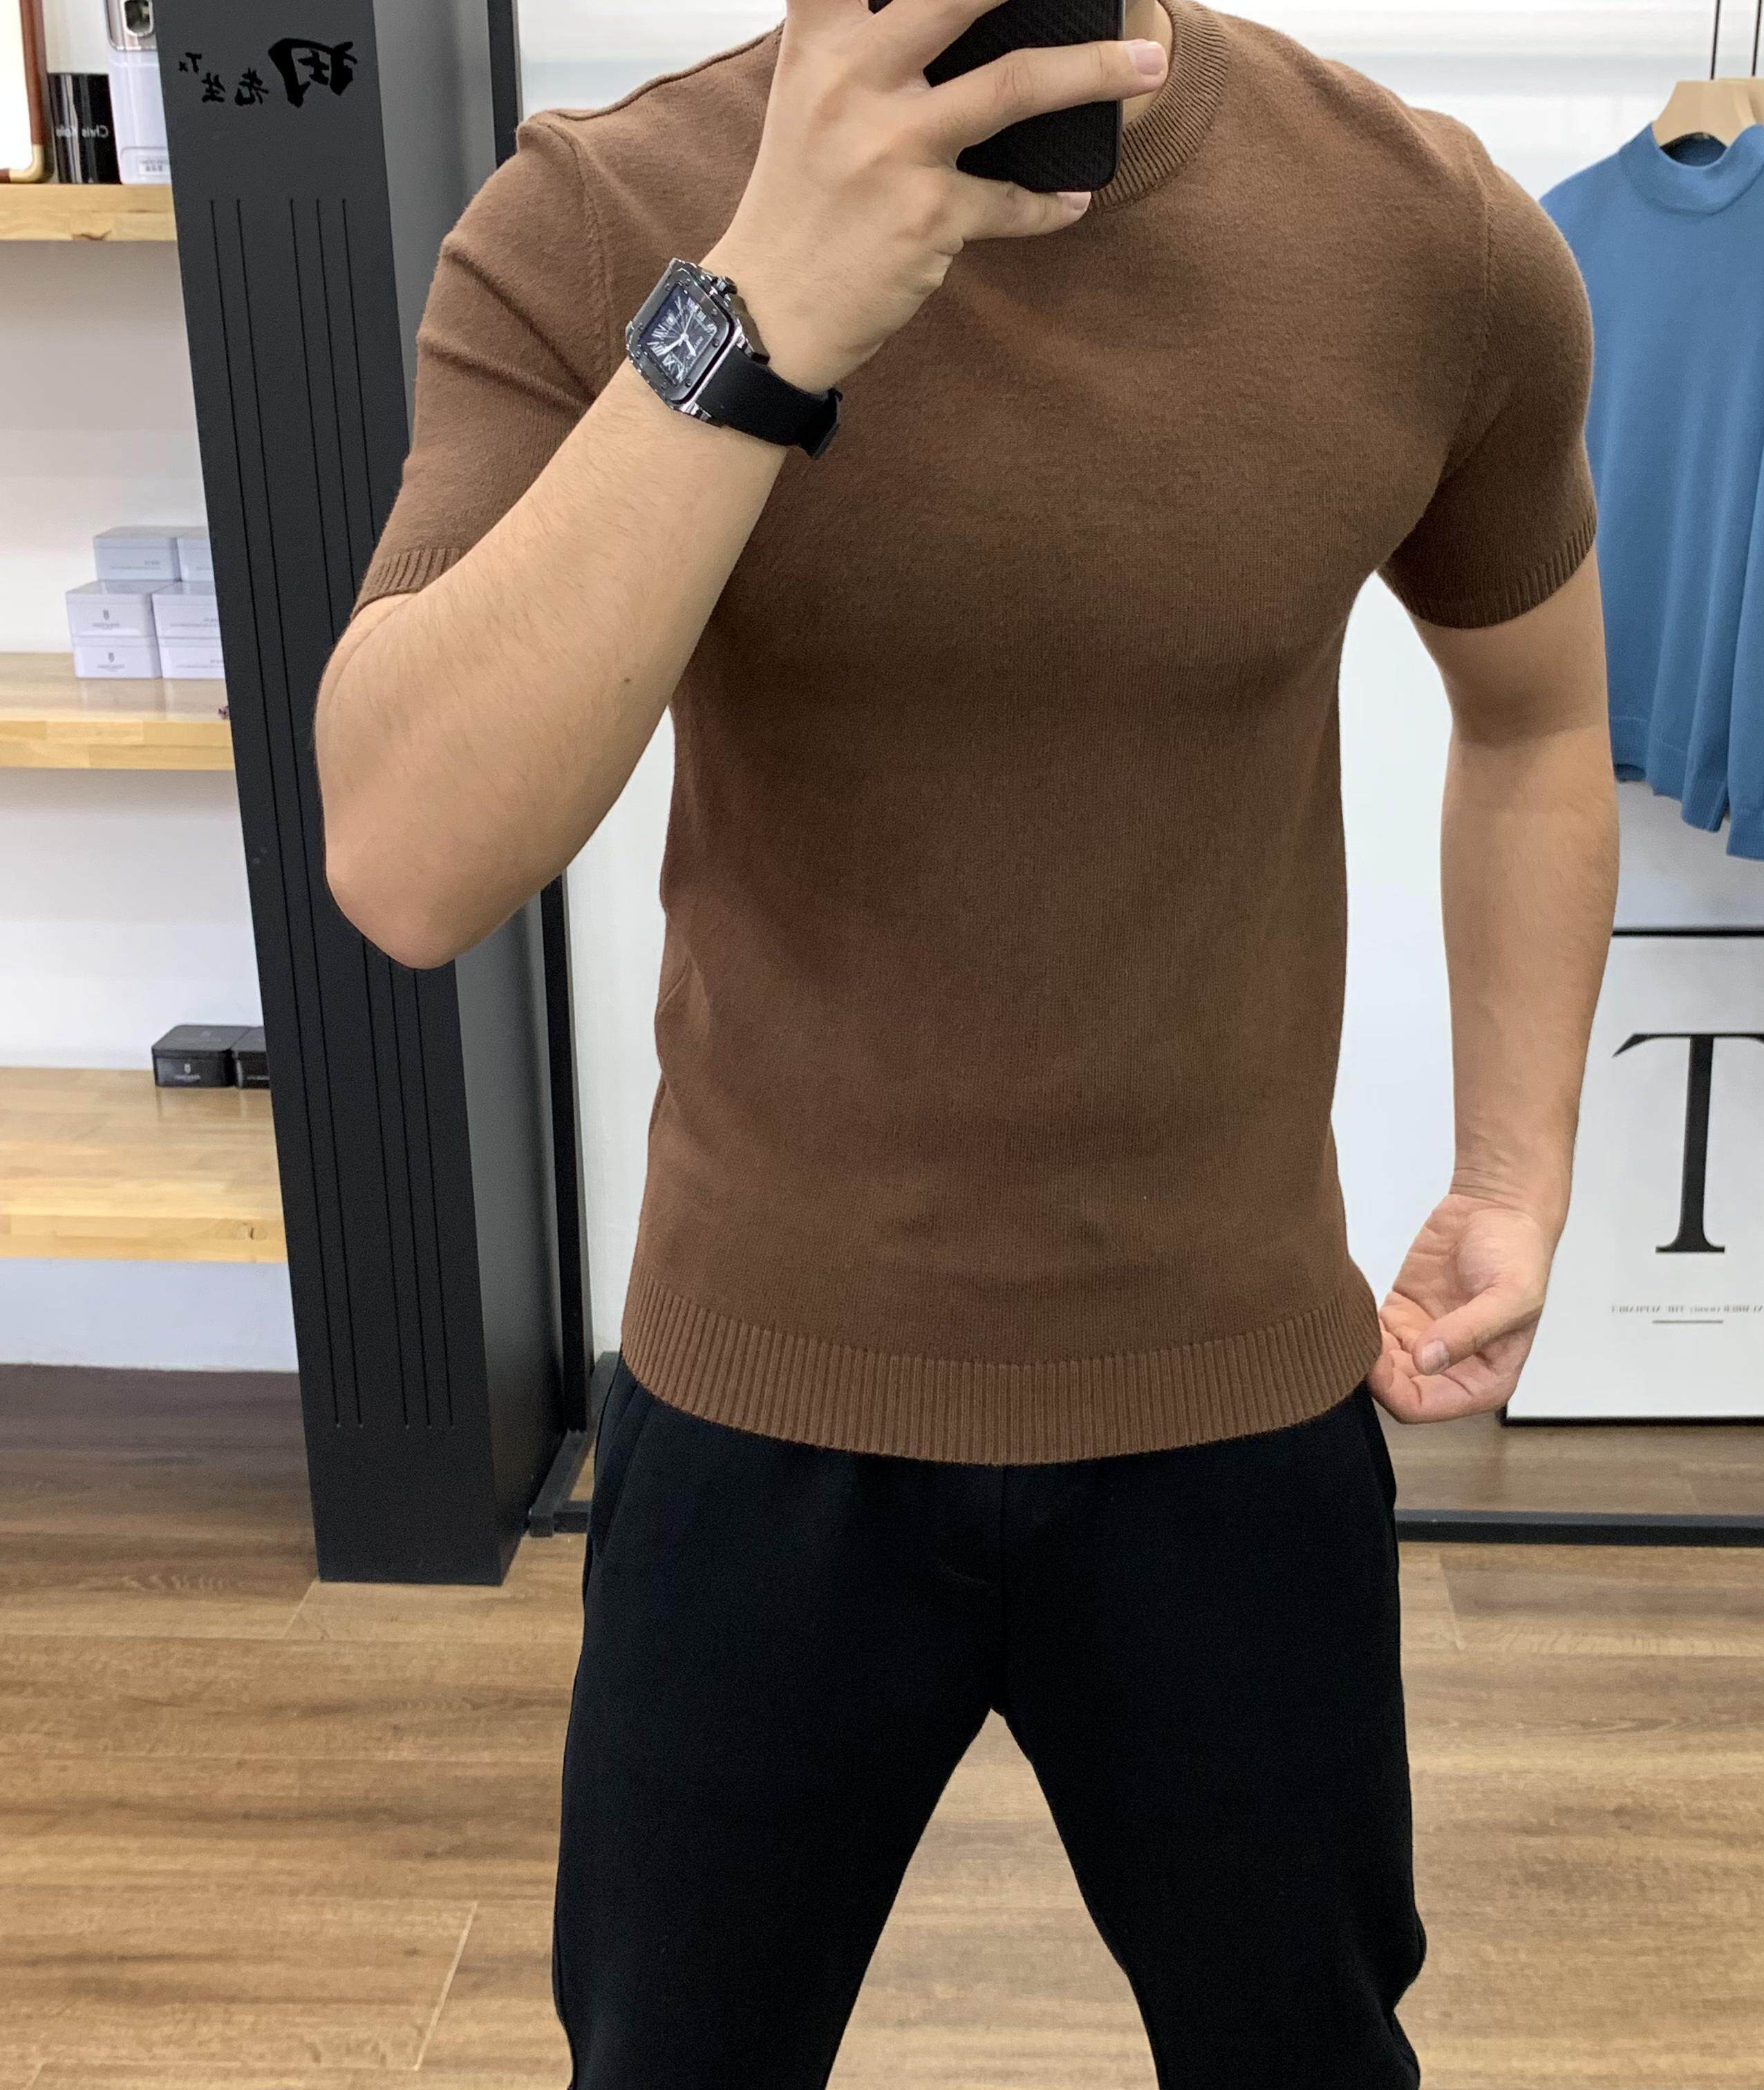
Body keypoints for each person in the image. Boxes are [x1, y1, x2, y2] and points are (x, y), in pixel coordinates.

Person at [313, 0, 1617, 2079]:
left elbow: (1536, 717)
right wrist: (755, 313)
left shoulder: (1426, 237)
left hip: (1232, 1403)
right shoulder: (598, 220)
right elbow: (404, 864)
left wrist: (1514, 1167)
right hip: (761, 1399)